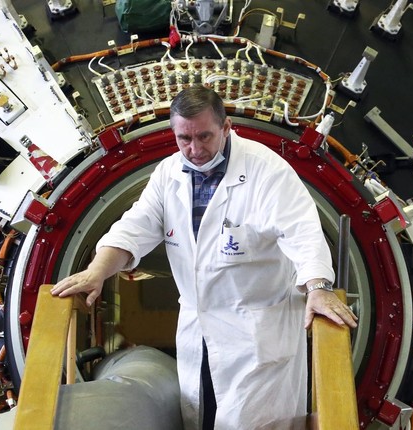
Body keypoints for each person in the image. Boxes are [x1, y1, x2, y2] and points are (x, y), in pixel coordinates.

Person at [51, 85, 358, 430]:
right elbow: (133, 229)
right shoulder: (169, 174)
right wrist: (96, 272)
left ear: (226, 128)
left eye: (204, 136)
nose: (194, 149)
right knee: (204, 418)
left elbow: (302, 232)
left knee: (248, 423)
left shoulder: (266, 170)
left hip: (258, 332)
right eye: (184, 138)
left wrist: (317, 287)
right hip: (198, 329)